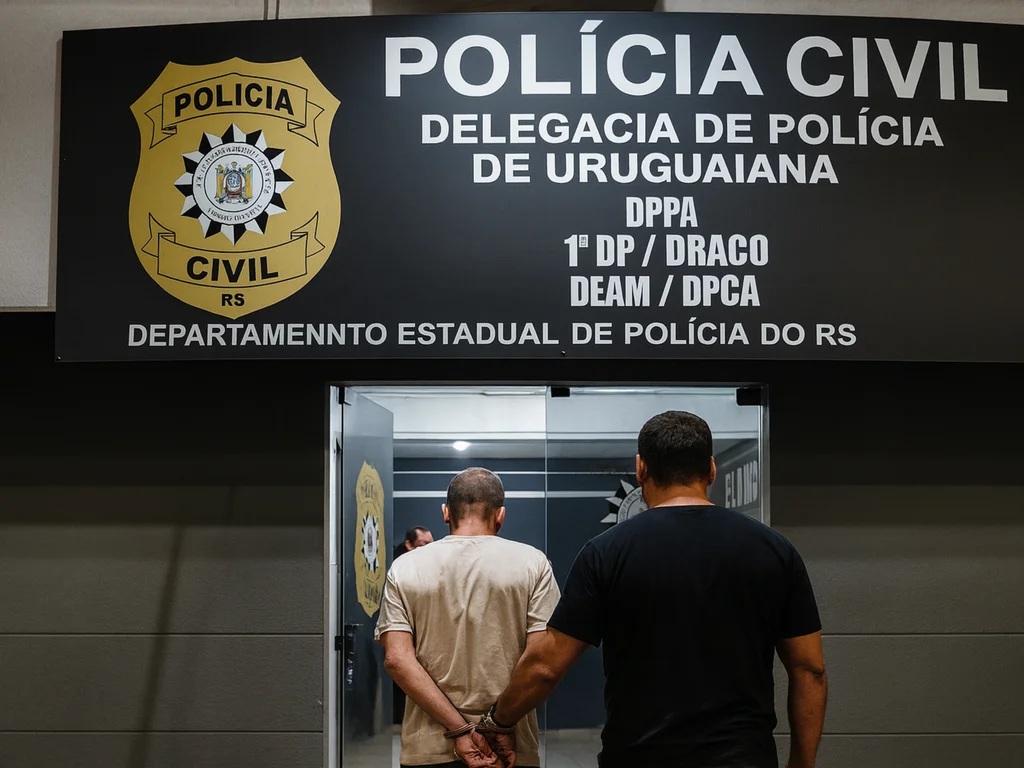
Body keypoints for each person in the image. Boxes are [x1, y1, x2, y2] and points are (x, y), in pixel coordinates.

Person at [483, 411, 827, 768]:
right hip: (744, 759)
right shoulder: (774, 551)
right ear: (711, 469)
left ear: (641, 468)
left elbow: (545, 667)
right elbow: (810, 670)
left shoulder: (605, 552)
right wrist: (802, 764)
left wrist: (497, 722)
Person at [376, 467, 559, 768]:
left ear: (446, 512)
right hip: (509, 746)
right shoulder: (533, 563)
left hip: (428, 749)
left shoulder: (405, 567)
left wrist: (460, 731)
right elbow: (544, 665)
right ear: (501, 515)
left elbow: (397, 659)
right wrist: (499, 725)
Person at [392, 525, 434, 725]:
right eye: (423, 544)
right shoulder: (399, 569)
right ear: (409, 544)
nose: (429, 549)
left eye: (431, 544)